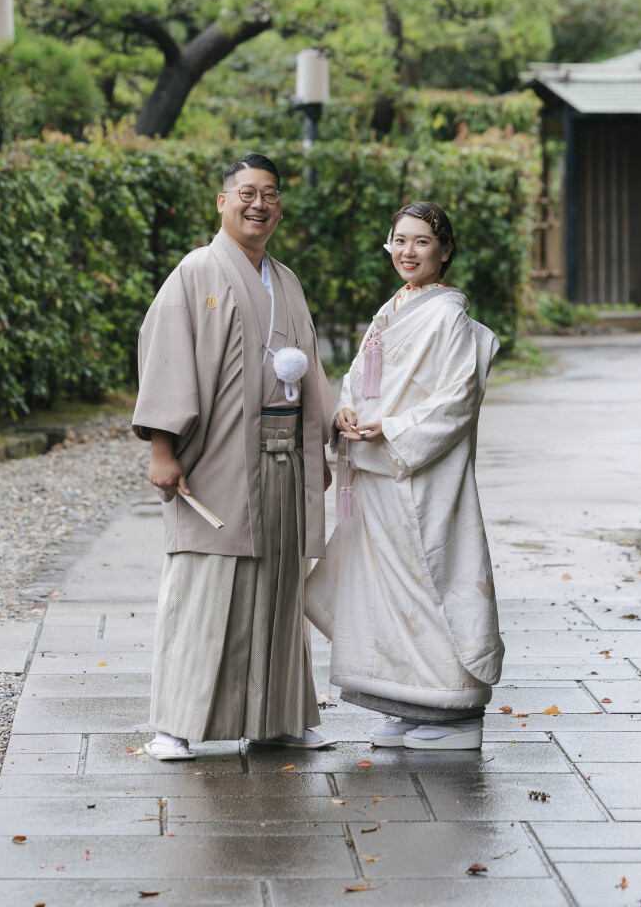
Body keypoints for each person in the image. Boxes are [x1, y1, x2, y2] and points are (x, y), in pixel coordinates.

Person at [132, 153, 334, 759]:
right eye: (246, 192)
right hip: (219, 454)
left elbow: (314, 372)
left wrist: (325, 434)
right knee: (207, 579)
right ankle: (175, 722)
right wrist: (162, 450)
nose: (259, 204)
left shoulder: (287, 280)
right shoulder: (197, 272)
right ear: (222, 202)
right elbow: (164, 356)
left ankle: (280, 718)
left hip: (283, 453)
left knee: (277, 586)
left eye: (270, 194)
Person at [304, 201, 504, 750]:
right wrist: (345, 411)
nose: (408, 252)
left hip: (418, 473)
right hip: (374, 469)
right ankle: (406, 700)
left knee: (428, 582)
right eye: (399, 240)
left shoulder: (448, 317)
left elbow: (456, 400)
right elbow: (361, 379)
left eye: (421, 241)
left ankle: (454, 712)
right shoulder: (392, 309)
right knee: (379, 588)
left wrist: (390, 428)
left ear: (444, 251)